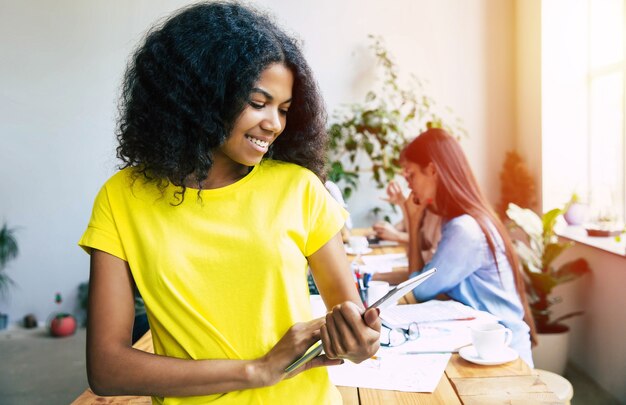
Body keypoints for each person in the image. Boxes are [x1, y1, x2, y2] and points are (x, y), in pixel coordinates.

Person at [78, 3, 380, 404]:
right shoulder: (121, 198)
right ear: (199, 94)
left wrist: (360, 341)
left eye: (284, 109)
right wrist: (257, 370)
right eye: (258, 102)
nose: (274, 123)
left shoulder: (300, 189)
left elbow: (355, 333)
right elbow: (106, 369)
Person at [385, 128, 536, 367]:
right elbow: (418, 284)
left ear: (432, 170)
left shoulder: (465, 229)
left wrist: (413, 223)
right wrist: (413, 221)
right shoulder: (462, 219)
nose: (409, 186)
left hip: (502, 355)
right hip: (481, 345)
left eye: (411, 176)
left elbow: (419, 290)